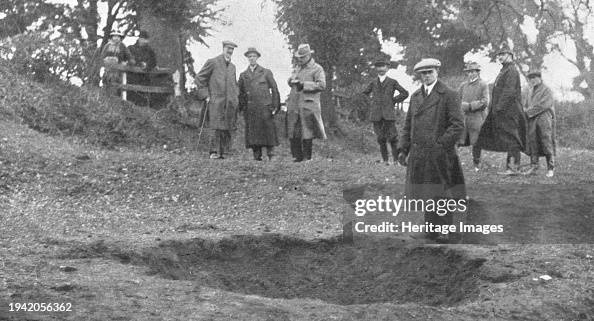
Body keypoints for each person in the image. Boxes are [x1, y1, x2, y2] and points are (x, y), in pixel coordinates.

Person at [396, 58, 465, 243]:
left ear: (437, 72)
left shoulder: (449, 94)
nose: (426, 76)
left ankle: (446, 230)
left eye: (430, 72)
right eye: (423, 73)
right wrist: (403, 148)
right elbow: (408, 124)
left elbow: (457, 125)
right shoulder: (416, 96)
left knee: (441, 191)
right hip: (419, 152)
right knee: (427, 191)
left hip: (440, 153)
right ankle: (431, 230)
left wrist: (440, 145)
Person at [476, 43, 527, 175]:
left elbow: (508, 92)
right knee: (507, 137)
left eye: (503, 54)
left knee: (512, 138)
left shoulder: (512, 71)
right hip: (502, 110)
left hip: (509, 111)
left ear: (510, 55)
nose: (500, 57)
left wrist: (498, 108)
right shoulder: (505, 70)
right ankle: (511, 167)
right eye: (499, 55)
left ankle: (513, 168)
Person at [195, 40, 240, 159]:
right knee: (215, 126)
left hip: (229, 101)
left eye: (232, 49)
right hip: (215, 100)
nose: (230, 51)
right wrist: (206, 95)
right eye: (228, 48)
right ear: (223, 48)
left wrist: (235, 98)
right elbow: (199, 78)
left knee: (226, 126)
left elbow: (234, 84)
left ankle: (224, 152)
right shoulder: (213, 62)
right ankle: (213, 152)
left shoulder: (232, 67)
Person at [361, 59, 409, 165]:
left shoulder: (392, 82)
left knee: (392, 138)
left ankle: (396, 160)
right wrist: (372, 103)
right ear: (376, 69)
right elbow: (364, 94)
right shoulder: (373, 82)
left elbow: (405, 93)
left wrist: (393, 101)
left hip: (388, 115)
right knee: (380, 138)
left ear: (387, 68)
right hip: (376, 115)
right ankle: (385, 160)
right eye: (378, 67)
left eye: (383, 66)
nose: (381, 69)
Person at [238, 47, 281, 161]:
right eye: (250, 56)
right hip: (251, 109)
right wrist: (241, 108)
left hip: (265, 108)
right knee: (253, 133)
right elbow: (240, 93)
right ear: (247, 58)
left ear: (257, 57)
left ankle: (271, 155)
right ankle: (257, 156)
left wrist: (275, 106)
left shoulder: (266, 72)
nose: (252, 58)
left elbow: (275, 89)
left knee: (268, 131)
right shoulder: (243, 75)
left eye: (254, 56)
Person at [286, 44, 327, 162]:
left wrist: (304, 85)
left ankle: (307, 157)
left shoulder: (317, 68)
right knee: (295, 129)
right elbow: (293, 82)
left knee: (307, 130)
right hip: (295, 103)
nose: (300, 59)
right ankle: (297, 157)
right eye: (299, 57)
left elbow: (322, 85)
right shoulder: (298, 68)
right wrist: (291, 81)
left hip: (309, 104)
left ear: (309, 55)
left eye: (302, 57)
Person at [458, 61, 490, 171]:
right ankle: (455, 164)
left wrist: (470, 106)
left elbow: (485, 102)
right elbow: (457, 100)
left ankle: (477, 164)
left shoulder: (483, 84)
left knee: (476, 141)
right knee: (460, 140)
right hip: (464, 118)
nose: (471, 74)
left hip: (477, 117)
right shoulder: (463, 85)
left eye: (473, 71)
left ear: (477, 72)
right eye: (469, 72)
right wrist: (461, 106)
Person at [523, 69, 556, 177]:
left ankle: (550, 168)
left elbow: (544, 105)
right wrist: (524, 110)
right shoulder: (530, 90)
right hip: (532, 120)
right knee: (533, 142)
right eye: (530, 78)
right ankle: (534, 167)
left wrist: (527, 112)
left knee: (546, 141)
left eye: (534, 78)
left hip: (544, 118)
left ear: (540, 78)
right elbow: (526, 105)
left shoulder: (547, 90)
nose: (532, 80)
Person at [128, 30, 157, 106]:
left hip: (144, 78)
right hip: (132, 77)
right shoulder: (131, 48)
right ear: (140, 38)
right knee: (132, 98)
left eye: (147, 39)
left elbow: (154, 62)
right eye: (144, 39)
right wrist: (139, 63)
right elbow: (129, 60)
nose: (146, 41)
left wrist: (147, 65)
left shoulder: (150, 51)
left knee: (144, 98)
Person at [101, 30, 134, 96]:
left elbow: (129, 56)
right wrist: (106, 60)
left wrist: (129, 62)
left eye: (118, 36)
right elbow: (102, 56)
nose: (116, 38)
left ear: (120, 38)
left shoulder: (122, 46)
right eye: (114, 36)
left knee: (117, 86)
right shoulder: (107, 46)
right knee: (106, 84)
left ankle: (115, 100)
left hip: (118, 71)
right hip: (108, 70)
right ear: (112, 37)